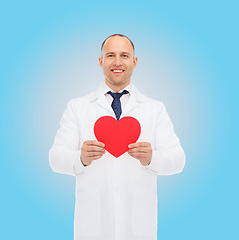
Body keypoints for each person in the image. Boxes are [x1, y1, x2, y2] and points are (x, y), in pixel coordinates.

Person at [49, 34, 186, 240]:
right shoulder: (77, 107)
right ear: (101, 61)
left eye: (125, 55)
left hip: (139, 228)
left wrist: (152, 158)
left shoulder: (154, 109)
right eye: (111, 55)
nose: (118, 62)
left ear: (134, 61)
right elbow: (55, 158)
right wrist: (80, 158)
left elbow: (178, 160)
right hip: (92, 228)